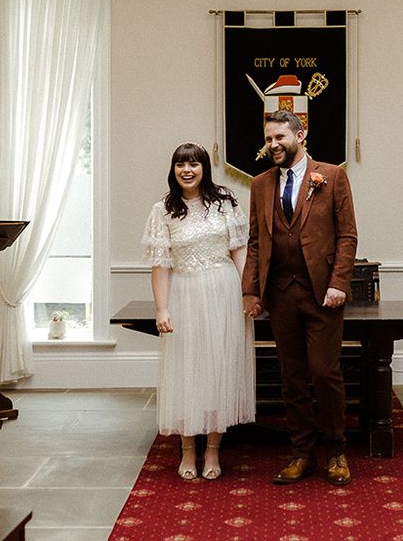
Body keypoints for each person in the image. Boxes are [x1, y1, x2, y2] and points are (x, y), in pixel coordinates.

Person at [242, 110, 358, 486]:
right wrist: (250, 290)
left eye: (280, 137)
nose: (273, 145)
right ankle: (302, 453)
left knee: (324, 373)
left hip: (323, 292)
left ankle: (337, 451)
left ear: (300, 135)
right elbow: (256, 241)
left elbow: (347, 236)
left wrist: (339, 282)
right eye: (268, 139)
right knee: (291, 378)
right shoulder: (259, 184)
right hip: (280, 294)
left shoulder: (332, 176)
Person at [142, 143, 255, 481]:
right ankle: (188, 449)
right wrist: (161, 308)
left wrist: (248, 293)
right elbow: (160, 265)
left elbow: (239, 253)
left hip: (224, 292)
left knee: (219, 367)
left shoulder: (224, 203)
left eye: (193, 164)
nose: (187, 170)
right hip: (184, 294)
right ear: (173, 169)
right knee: (187, 369)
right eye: (180, 164)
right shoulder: (162, 210)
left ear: (205, 168)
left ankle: (214, 450)